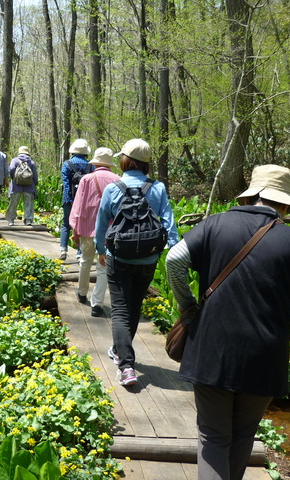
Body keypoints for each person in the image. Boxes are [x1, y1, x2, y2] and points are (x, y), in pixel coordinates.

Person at [165, 164, 290, 480]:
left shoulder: (215, 224)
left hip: (212, 349)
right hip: (265, 354)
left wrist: (188, 305)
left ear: (251, 195)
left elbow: (174, 259)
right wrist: (280, 323)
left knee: (214, 437)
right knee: (243, 436)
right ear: (284, 204)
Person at [95, 138, 179, 386]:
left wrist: (101, 249)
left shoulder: (113, 188)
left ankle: (126, 365)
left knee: (120, 309)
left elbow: (101, 225)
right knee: (133, 306)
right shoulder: (158, 188)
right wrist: (173, 250)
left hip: (118, 256)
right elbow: (169, 223)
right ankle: (121, 351)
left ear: (125, 160)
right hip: (148, 258)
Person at [69, 147, 120, 317]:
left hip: (86, 228)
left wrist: (75, 231)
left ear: (96, 162)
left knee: (85, 261)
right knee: (103, 267)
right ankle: (97, 304)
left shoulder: (86, 179)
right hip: (109, 231)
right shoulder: (118, 180)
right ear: (110, 164)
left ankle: (82, 293)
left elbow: (78, 206)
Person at [60, 139, 94, 260]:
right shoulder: (91, 165)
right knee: (82, 226)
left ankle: (63, 250)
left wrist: (69, 199)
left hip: (69, 199)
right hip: (85, 201)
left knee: (65, 224)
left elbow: (66, 184)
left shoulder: (67, 164)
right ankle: (80, 254)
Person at [5, 146, 38, 226]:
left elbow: (12, 170)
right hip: (29, 187)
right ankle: (28, 220)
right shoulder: (31, 162)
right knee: (28, 204)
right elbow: (35, 176)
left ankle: (11, 220)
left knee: (13, 203)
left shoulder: (15, 160)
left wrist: (14, 179)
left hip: (16, 187)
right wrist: (35, 183)